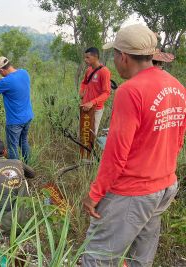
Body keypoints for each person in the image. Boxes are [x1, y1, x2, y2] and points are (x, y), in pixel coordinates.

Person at [82, 24, 185, 266]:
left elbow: (116, 154)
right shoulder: (177, 87)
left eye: (115, 55)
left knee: (97, 257)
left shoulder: (130, 91)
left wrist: (95, 193)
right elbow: (178, 140)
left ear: (123, 57)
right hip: (165, 186)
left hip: (133, 191)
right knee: (140, 258)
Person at [0, 57, 34, 163]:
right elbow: (10, 82)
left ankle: (16, 170)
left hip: (15, 121)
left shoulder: (6, 81)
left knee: (12, 147)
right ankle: (28, 165)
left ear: (1, 70)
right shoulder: (24, 72)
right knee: (23, 142)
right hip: (28, 117)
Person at [79, 47, 111, 135]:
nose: (85, 60)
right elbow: (84, 82)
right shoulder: (88, 70)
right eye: (85, 57)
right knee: (83, 132)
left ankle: (91, 149)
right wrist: (81, 92)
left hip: (96, 109)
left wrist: (92, 102)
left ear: (96, 57)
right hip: (85, 106)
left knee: (91, 134)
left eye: (88, 57)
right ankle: (82, 149)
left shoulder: (104, 72)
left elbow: (106, 93)